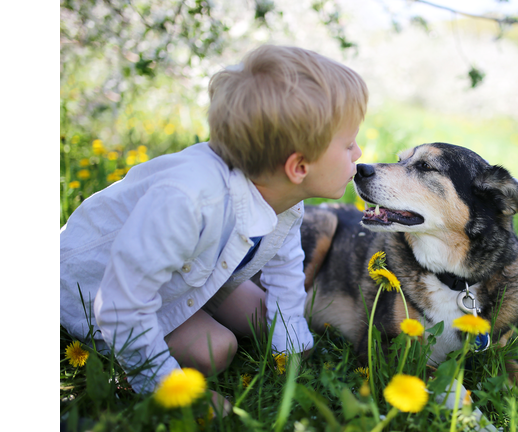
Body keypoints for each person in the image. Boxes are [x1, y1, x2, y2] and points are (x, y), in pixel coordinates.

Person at [60, 45, 367, 413]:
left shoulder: (285, 196)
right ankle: (135, 371)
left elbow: (286, 273)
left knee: (264, 319)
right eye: (348, 144)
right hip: (92, 290)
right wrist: (169, 390)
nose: (359, 152)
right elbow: (120, 303)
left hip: (186, 277)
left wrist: (294, 354)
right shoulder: (187, 200)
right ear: (298, 166)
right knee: (216, 349)